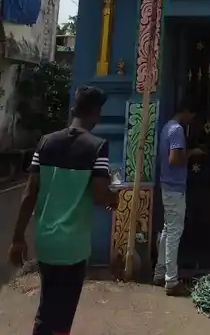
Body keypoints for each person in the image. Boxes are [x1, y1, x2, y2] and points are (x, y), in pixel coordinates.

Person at [8, 85, 118, 335]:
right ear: (96, 114)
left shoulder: (46, 142)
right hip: (73, 246)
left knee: (48, 307)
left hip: (46, 242)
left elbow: (28, 195)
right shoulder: (97, 147)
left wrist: (17, 238)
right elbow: (102, 194)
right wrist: (116, 199)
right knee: (61, 315)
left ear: (73, 110)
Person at [153, 99, 205, 295]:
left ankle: (160, 272)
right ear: (185, 111)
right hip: (175, 187)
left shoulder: (167, 127)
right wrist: (192, 153)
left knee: (168, 229)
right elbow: (174, 159)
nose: (192, 120)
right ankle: (171, 281)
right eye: (192, 115)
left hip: (167, 185)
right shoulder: (177, 130)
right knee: (175, 231)